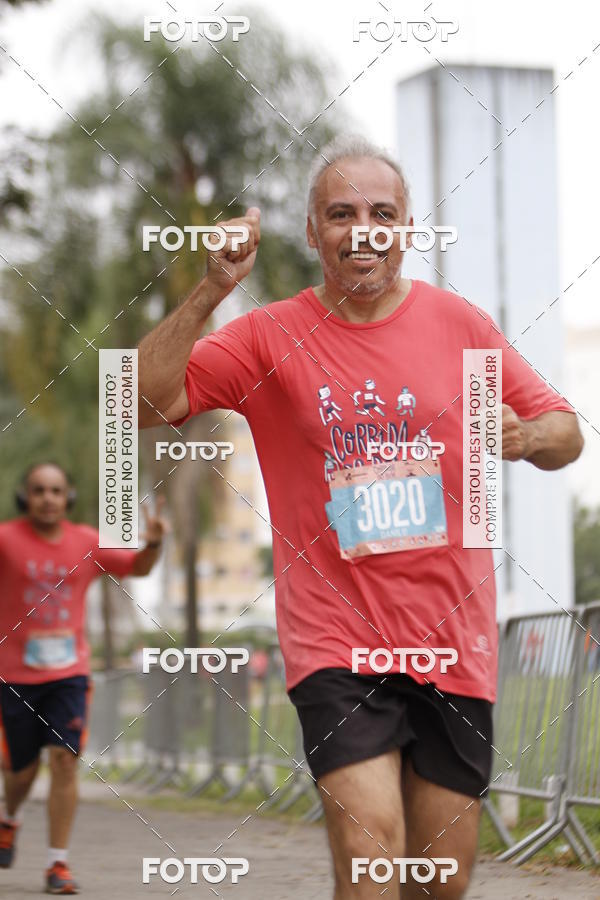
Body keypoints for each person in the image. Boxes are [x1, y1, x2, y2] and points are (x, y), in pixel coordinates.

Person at [137, 135, 583, 899]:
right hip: (335, 641)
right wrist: (211, 290)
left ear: (408, 228)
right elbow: (138, 402)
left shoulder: (461, 327)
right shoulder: (269, 336)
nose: (363, 230)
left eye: (382, 213)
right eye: (341, 214)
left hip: (452, 638)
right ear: (313, 233)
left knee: (441, 880)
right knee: (371, 844)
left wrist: (530, 436)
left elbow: (566, 430)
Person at [0, 462, 166, 895]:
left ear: (68, 497)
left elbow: (139, 567)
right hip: (14, 678)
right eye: (39, 490)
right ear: (25, 496)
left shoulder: (87, 542)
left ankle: (57, 863)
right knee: (20, 773)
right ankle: (9, 817)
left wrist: (154, 544)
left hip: (69, 675)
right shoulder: (5, 539)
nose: (48, 498)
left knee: (64, 760)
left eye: (56, 490)